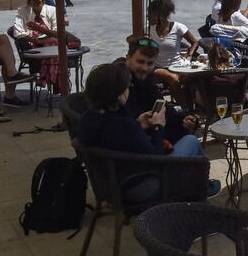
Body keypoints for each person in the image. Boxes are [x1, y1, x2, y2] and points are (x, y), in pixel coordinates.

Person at [75, 63, 220, 199]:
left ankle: (195, 186)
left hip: (108, 184)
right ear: (119, 95)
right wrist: (158, 127)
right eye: (126, 87)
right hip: (140, 187)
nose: (128, 90)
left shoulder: (88, 119)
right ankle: (201, 189)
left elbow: (119, 138)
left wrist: (138, 124)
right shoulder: (123, 125)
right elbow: (156, 157)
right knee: (191, 141)